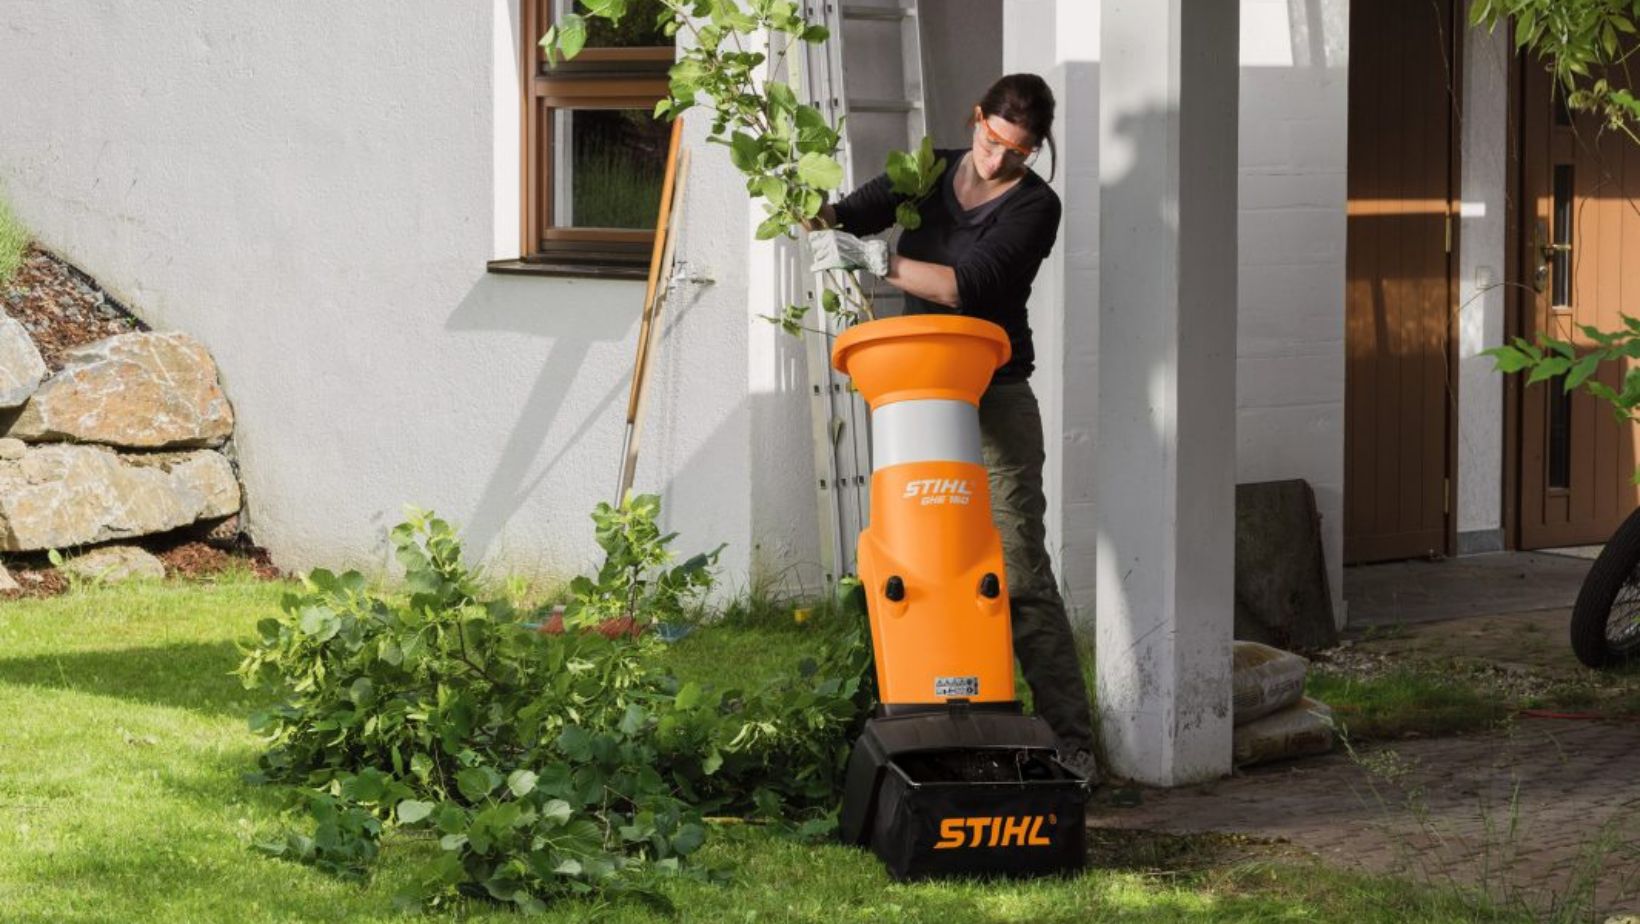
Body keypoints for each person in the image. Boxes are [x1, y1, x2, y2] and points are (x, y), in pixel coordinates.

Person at [809, 73, 1099, 783]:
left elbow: (970, 284)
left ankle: (1074, 742)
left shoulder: (1037, 206)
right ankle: (900, 714)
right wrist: (817, 216)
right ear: (976, 119)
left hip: (994, 392)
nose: (1000, 160)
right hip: (919, 388)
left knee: (1021, 568)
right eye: (993, 140)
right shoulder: (929, 170)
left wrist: (880, 260)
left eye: (1019, 151)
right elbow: (847, 214)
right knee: (913, 558)